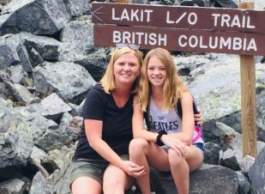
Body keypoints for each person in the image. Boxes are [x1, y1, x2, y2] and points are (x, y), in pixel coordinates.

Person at [69, 46, 145, 194]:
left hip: (123, 156)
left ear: (139, 69)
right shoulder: (98, 94)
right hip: (89, 159)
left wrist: (193, 112)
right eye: (121, 64)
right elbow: (94, 140)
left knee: (113, 189)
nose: (126, 68)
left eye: (132, 64)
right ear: (113, 67)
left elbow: (166, 97)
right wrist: (123, 165)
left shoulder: (140, 95)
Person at [129, 47, 204, 194]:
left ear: (169, 70)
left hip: (189, 151)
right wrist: (162, 138)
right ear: (145, 70)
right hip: (161, 151)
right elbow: (137, 132)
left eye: (162, 68)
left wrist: (166, 140)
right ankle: (147, 192)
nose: (156, 73)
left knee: (175, 152)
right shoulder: (141, 96)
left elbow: (187, 138)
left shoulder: (183, 96)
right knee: (135, 145)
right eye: (151, 68)